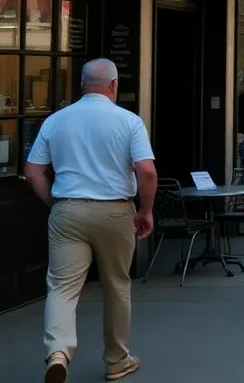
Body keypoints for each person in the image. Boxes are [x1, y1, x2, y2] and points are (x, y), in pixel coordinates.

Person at [24, 58, 156, 383]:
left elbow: (33, 171)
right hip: (115, 209)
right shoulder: (129, 121)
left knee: (62, 287)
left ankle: (58, 351)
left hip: (68, 209)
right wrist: (145, 210)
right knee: (117, 285)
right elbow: (147, 171)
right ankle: (116, 360)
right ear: (114, 85)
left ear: (82, 85)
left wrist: (55, 202)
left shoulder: (56, 121)